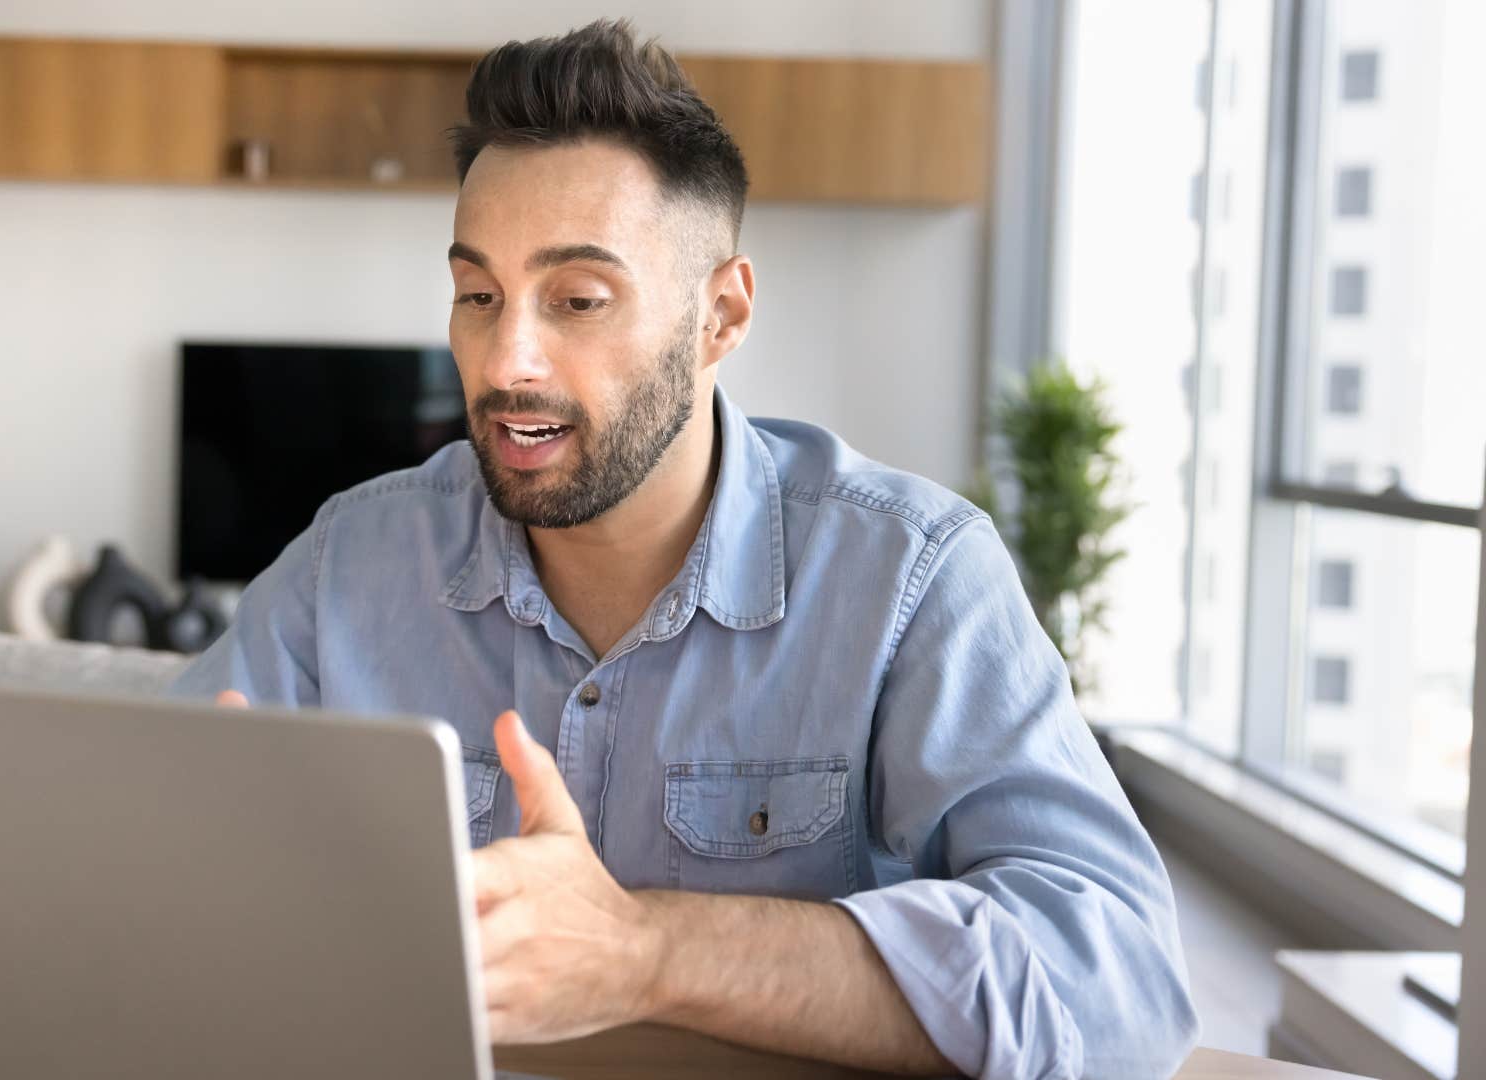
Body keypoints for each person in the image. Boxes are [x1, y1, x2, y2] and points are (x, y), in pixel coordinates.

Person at [171, 18, 1197, 1080]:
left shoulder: (911, 577)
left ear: (720, 316)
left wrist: (643, 953)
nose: (506, 356)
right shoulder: (355, 556)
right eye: (478, 295)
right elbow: (128, 850)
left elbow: (1119, 985)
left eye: (577, 300)